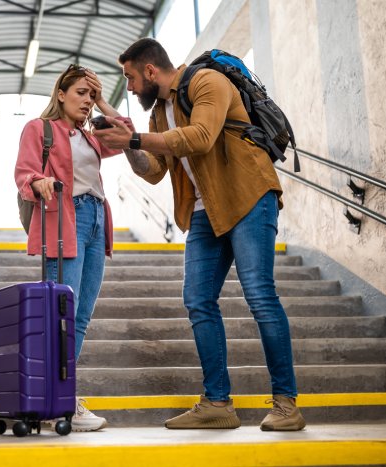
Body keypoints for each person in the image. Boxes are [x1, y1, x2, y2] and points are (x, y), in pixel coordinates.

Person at [93, 38, 306, 431]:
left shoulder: (206, 81)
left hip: (248, 196)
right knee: (197, 300)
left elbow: (201, 137)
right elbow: (154, 169)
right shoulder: (159, 112)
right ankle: (218, 402)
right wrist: (124, 138)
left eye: (131, 78)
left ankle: (286, 404)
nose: (131, 87)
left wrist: (134, 138)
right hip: (205, 210)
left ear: (150, 71)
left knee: (259, 294)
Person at [14, 64, 124, 432]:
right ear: (60, 94)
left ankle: (58, 395)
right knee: (58, 315)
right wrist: (39, 181)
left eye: (92, 96)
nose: (87, 102)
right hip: (64, 217)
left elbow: (126, 135)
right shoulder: (40, 129)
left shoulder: (92, 136)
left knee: (82, 316)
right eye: (81, 93)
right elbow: (24, 174)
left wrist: (105, 102)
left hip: (95, 221)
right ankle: (58, 398)